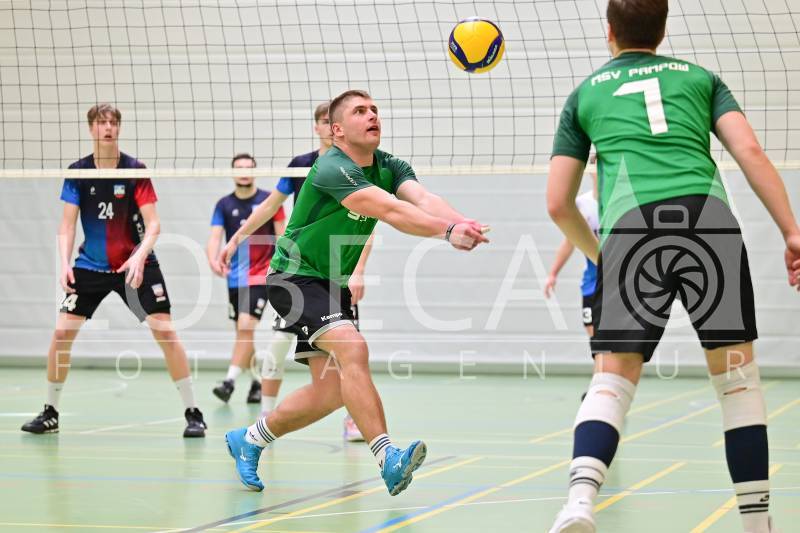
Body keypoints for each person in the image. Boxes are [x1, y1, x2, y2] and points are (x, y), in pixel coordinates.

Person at [546, 2, 800, 532]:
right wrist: (792, 233)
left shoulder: (585, 94)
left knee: (612, 381)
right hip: (709, 223)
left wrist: (604, 257)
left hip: (631, 229)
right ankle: (758, 525)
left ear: (609, 31)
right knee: (738, 383)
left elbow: (558, 204)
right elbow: (750, 151)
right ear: (662, 30)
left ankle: (579, 502)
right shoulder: (701, 79)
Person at [222, 89, 489, 494]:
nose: (372, 116)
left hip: (333, 284)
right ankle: (387, 458)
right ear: (337, 130)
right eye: (360, 111)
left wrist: (461, 221)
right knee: (354, 348)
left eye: (375, 110)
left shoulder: (389, 165)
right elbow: (391, 210)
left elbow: (422, 199)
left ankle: (250, 439)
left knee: (330, 393)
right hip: (294, 278)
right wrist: (448, 232)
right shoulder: (332, 167)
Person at [21, 104, 207, 438]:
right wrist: (63, 264)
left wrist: (140, 255)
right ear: (91, 128)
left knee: (165, 331)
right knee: (61, 334)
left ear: (118, 128)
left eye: (113, 122)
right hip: (91, 266)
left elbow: (154, 224)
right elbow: (67, 224)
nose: (108, 128)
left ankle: (193, 413)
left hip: (135, 264)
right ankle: (50, 412)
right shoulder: (78, 171)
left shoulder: (134, 169)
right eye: (101, 122)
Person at [221, 102, 369, 441]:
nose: (328, 127)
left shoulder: (357, 167)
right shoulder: (302, 165)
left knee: (350, 352)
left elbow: (368, 223)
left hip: (338, 272)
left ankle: (352, 421)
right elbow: (269, 205)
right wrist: (237, 237)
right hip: (299, 274)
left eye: (332, 121)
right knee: (278, 345)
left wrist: (359, 269)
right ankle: (264, 418)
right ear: (319, 127)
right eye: (323, 122)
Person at [207, 153, 286, 404]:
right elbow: (214, 237)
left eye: (248, 167)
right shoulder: (223, 204)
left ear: (255, 171)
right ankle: (256, 383)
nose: (243, 171)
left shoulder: (269, 201)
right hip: (235, 278)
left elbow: (282, 235)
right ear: (232, 172)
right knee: (244, 333)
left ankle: (229, 382)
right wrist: (212, 260)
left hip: (261, 275)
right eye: (239, 167)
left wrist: (282, 268)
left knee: (245, 327)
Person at [545, 153, 599, 337]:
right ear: (590, 170)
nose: (600, 170)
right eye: (596, 166)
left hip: (619, 282)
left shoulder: (621, 202)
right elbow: (570, 242)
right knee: (597, 343)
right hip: (592, 283)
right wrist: (553, 274)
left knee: (620, 344)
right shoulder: (581, 205)